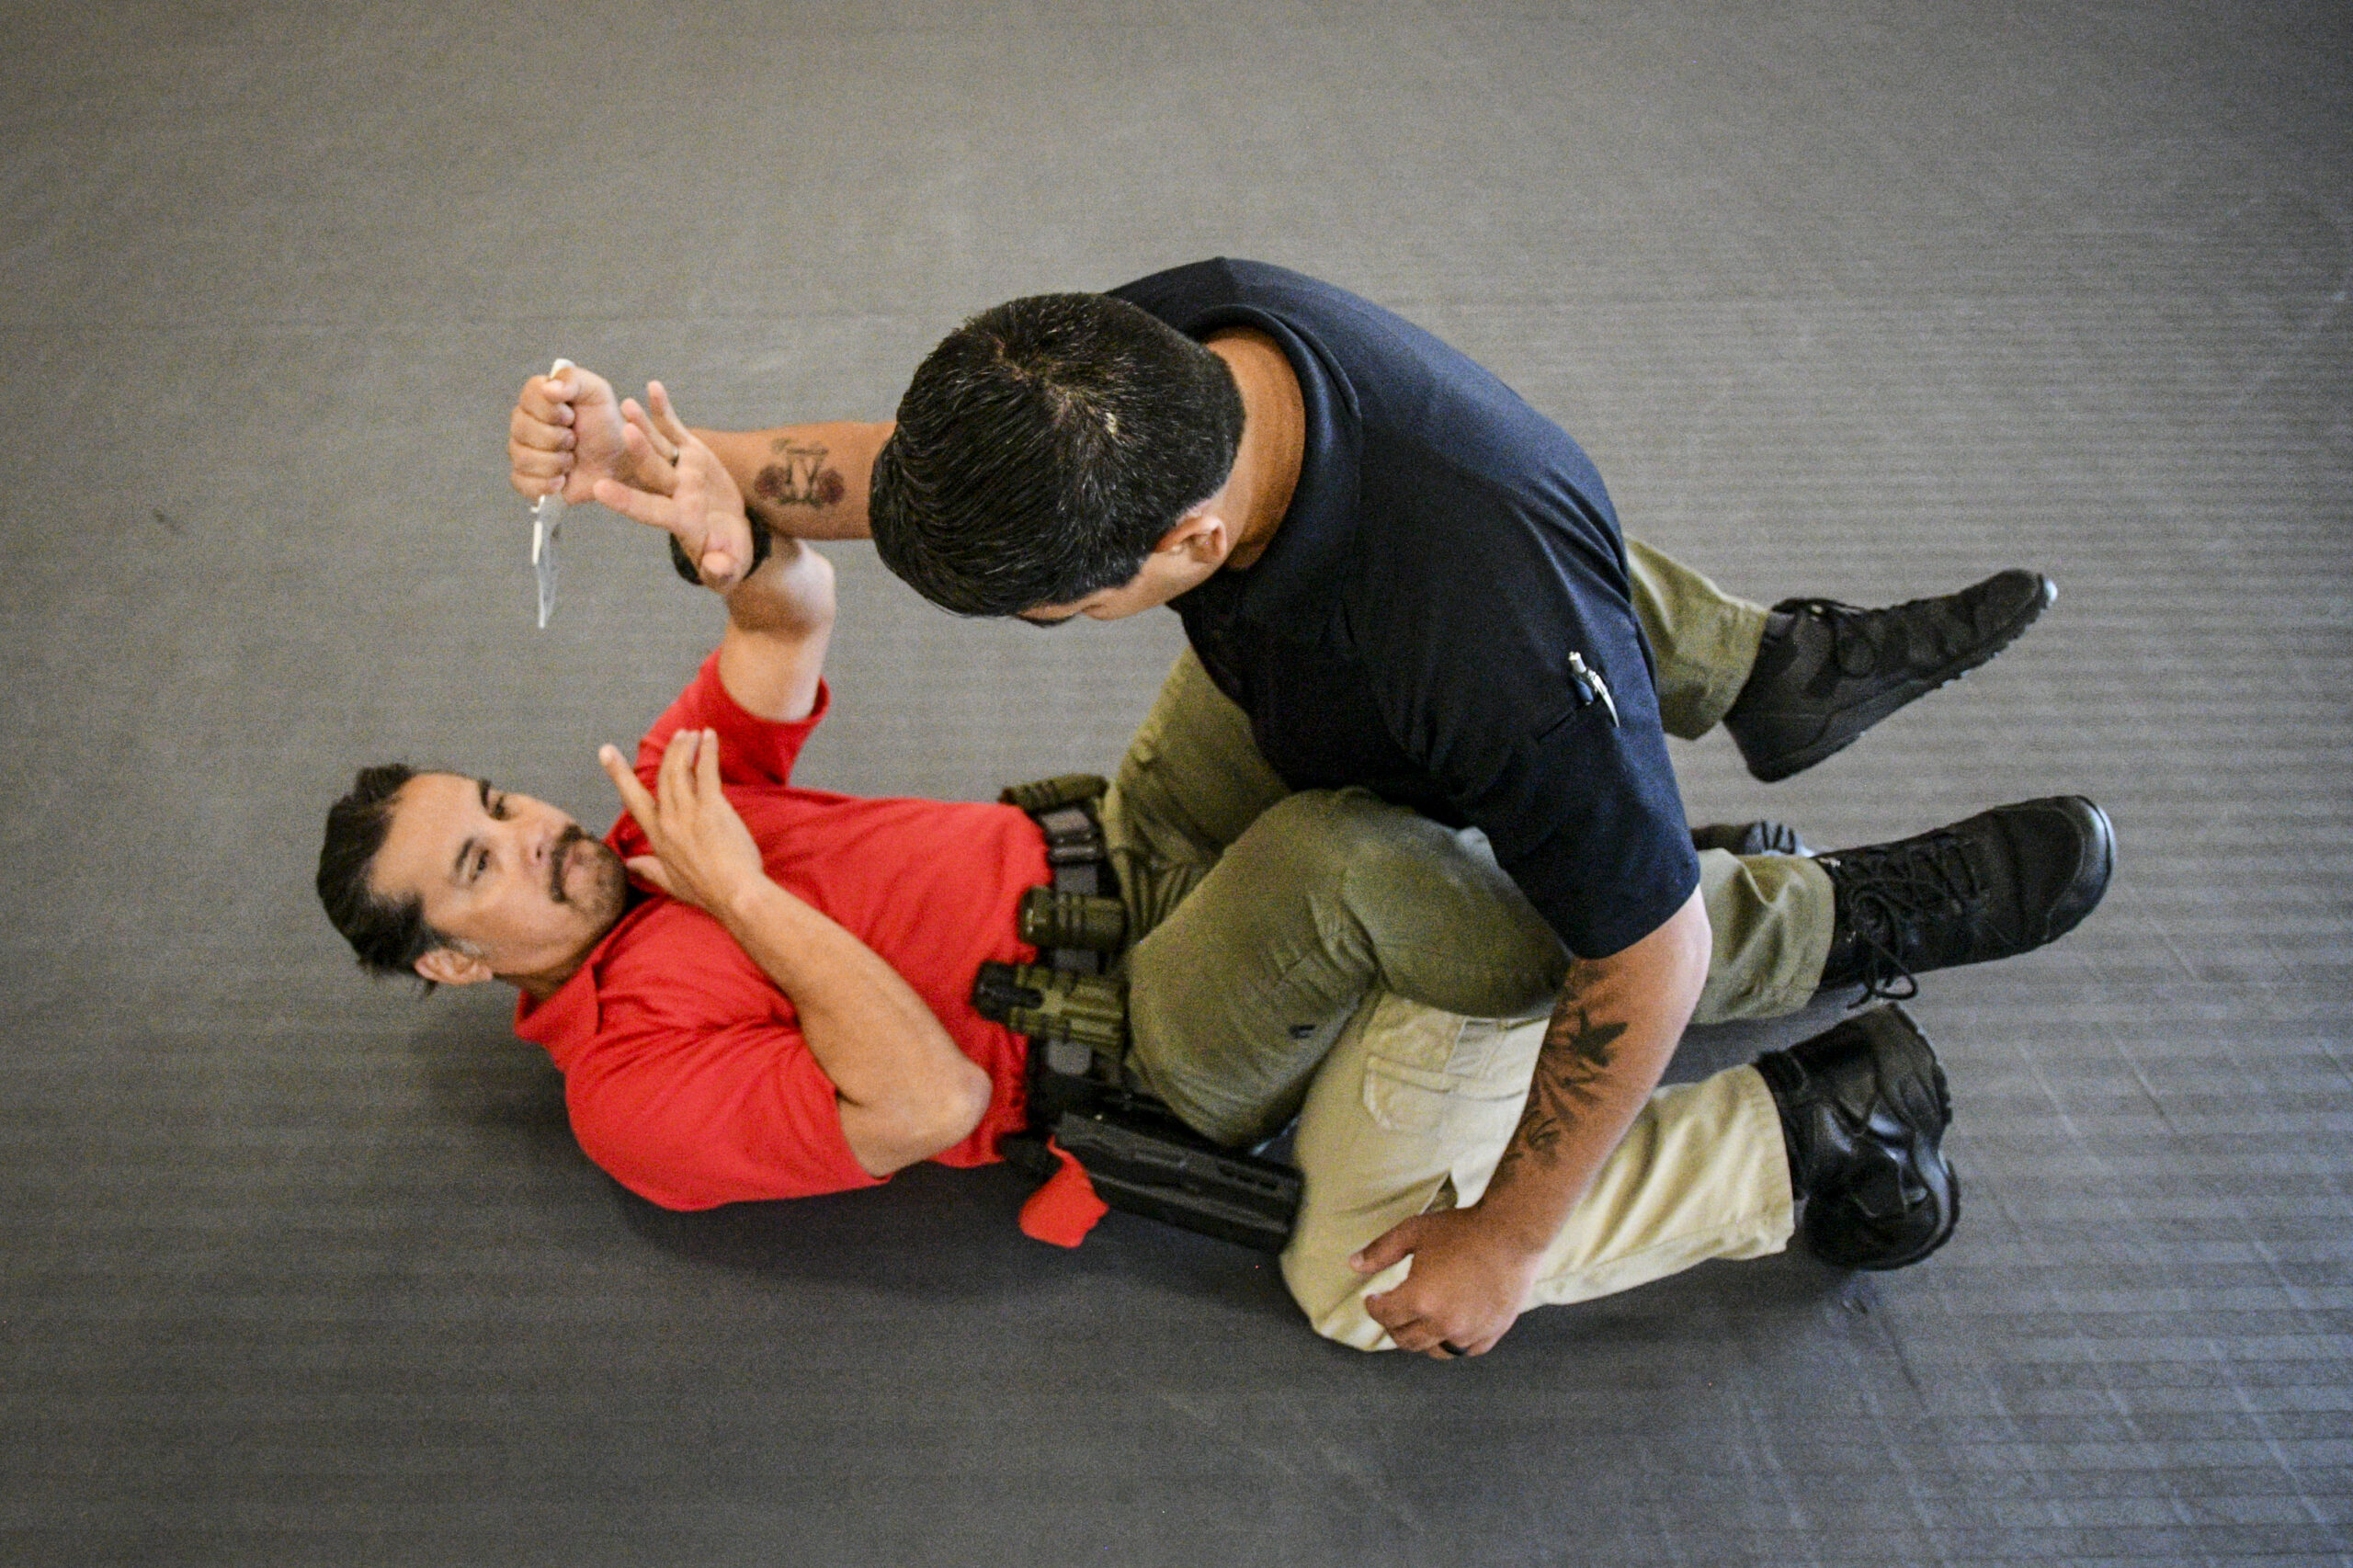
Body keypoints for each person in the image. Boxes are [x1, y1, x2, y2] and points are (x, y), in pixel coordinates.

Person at [503, 267, 2113, 1354]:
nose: (526, 836)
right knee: (1384, 782)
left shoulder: (1479, 653)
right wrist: (678, 457)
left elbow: (1650, 967)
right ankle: (1771, 674)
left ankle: (1853, 917)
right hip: (1140, 863)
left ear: (1192, 542)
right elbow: (917, 477)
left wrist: (1506, 1243)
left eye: (1058, 613)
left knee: (1394, 930)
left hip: (1311, 882)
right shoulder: (1159, 358)